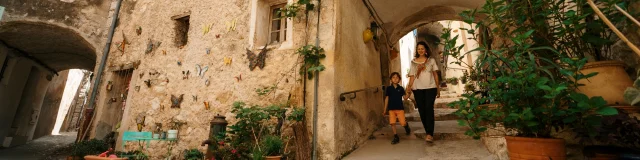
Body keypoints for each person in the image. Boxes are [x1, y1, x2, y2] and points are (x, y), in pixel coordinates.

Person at [407, 41, 440, 143]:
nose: (420, 50)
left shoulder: (431, 61)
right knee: (422, 110)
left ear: (426, 50)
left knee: (429, 109)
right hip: (418, 89)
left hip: (431, 87)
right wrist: (409, 87)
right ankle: (428, 131)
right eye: (418, 49)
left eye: (422, 48)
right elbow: (412, 76)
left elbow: (435, 75)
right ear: (417, 50)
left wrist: (438, 88)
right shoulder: (413, 62)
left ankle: (430, 134)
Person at [383, 72, 411, 144]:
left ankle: (406, 126)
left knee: (402, 123)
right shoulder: (389, 88)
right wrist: (384, 109)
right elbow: (387, 98)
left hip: (399, 108)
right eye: (393, 77)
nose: (395, 79)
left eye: (397, 78)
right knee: (392, 123)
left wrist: (409, 93)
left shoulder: (401, 88)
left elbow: (405, 98)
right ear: (391, 79)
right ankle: (395, 136)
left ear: (399, 80)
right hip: (391, 109)